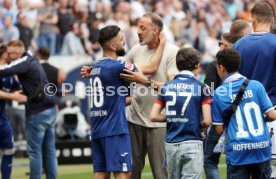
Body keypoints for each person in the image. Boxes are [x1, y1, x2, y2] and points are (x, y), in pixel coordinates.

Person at [84, 24, 165, 179]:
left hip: (98, 129)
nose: (124, 42)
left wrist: (135, 98)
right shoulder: (119, 66)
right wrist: (161, 44)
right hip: (114, 130)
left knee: (101, 174)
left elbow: (118, 100)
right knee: (124, 174)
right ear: (113, 46)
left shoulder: (95, 68)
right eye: (122, 39)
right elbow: (151, 67)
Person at [120, 13, 179, 179]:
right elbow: (122, 74)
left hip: (158, 124)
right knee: (130, 173)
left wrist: (145, 82)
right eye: (138, 27)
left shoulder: (173, 52)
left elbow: (172, 88)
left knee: (161, 174)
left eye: (142, 28)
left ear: (155, 30)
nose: (138, 31)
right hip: (134, 120)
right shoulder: (135, 50)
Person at [212, 48, 276, 179]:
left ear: (221, 67)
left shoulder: (219, 92)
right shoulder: (256, 85)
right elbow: (272, 115)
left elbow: (218, 130)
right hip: (261, 147)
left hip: (238, 150)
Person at [150, 47, 212, 179]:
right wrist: (195, 122)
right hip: (192, 141)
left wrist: (175, 117)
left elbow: (153, 115)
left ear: (177, 66)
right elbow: (207, 120)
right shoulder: (202, 87)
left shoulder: (166, 87)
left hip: (171, 143)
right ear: (197, 65)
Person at [0, 40, 58, 179]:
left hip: (37, 111)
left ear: (16, 54)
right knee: (49, 151)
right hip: (49, 108)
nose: (7, 57)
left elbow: (3, 70)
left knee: (35, 152)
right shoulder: (32, 59)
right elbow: (18, 87)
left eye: (9, 54)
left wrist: (13, 96)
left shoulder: (23, 62)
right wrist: (17, 94)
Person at [204, 19, 253, 179]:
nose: (221, 47)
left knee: (211, 161)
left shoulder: (216, 65)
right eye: (220, 44)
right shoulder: (218, 65)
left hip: (223, 120)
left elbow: (209, 93)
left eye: (224, 44)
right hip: (241, 121)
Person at [234, 2, 276, 178]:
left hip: (245, 117)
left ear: (253, 19)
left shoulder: (238, 45)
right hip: (272, 112)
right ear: (272, 19)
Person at [0, 44, 27, 179]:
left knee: (9, 149)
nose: (14, 56)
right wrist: (13, 96)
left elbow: (19, 88)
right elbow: (12, 94)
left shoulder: (9, 73)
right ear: (5, 55)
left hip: (2, 118)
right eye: (11, 53)